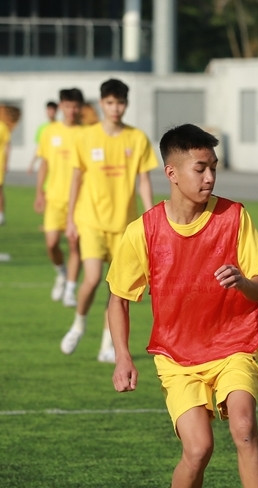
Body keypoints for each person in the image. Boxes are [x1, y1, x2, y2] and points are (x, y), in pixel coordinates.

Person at [107, 123, 258, 488]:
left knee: (243, 427)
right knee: (198, 448)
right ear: (171, 172)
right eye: (200, 168)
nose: (209, 178)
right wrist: (123, 356)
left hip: (234, 343)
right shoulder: (143, 231)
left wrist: (242, 282)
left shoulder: (235, 216)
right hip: (177, 356)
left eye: (213, 168)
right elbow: (119, 298)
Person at [60, 78, 157, 362]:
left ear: (126, 104)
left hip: (125, 226)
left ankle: (107, 345)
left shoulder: (137, 139)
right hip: (90, 221)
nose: (116, 108)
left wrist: (151, 218)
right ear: (102, 103)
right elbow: (76, 179)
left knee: (117, 291)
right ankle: (78, 324)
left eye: (121, 103)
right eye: (111, 103)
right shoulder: (85, 137)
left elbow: (144, 182)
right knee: (91, 279)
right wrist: (70, 219)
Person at [34, 88, 84, 306]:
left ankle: (70, 290)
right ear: (61, 106)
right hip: (54, 199)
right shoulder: (49, 132)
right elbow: (44, 164)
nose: (71, 110)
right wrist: (39, 192)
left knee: (75, 245)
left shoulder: (86, 133)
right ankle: (61, 273)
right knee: (52, 244)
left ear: (80, 108)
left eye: (75, 106)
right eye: (68, 106)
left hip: (80, 201)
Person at [29, 100, 58, 174]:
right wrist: (32, 163)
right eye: (49, 109)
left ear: (56, 111)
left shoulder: (61, 127)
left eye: (52, 109)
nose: (50, 112)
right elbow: (39, 147)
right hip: (46, 163)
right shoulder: (42, 128)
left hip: (58, 163)